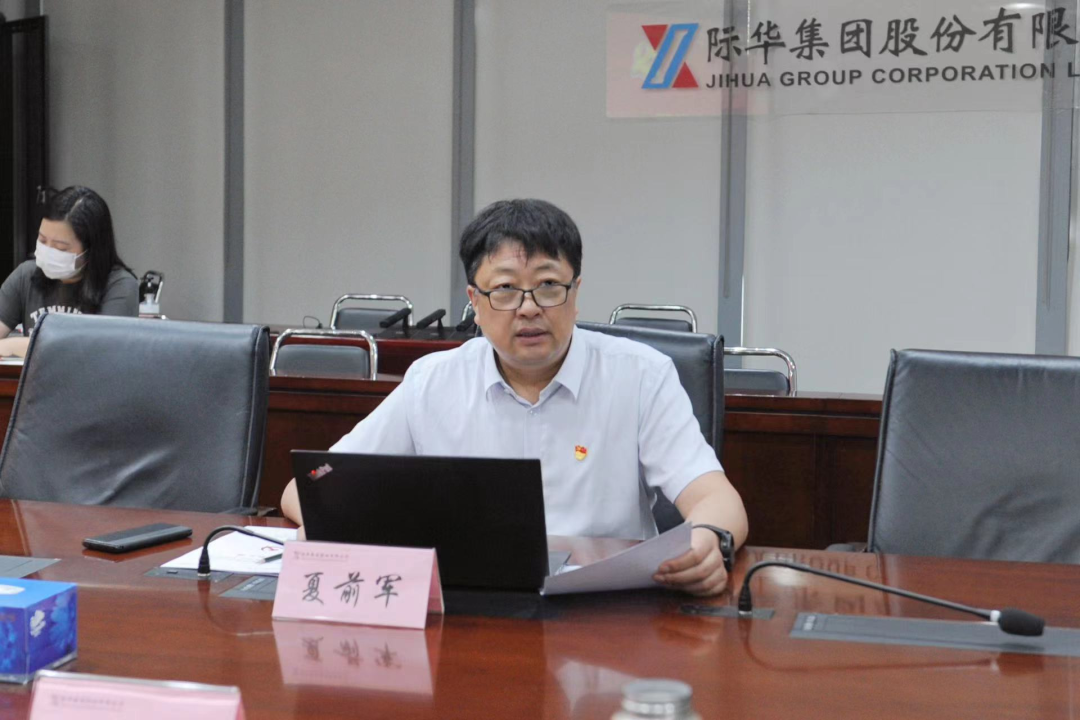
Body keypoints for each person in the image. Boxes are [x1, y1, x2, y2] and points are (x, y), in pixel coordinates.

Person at [281, 199, 749, 596]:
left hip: (605, 613)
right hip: (471, 607)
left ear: (576, 293)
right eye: (505, 289)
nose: (528, 308)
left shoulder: (641, 376)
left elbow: (717, 498)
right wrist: (347, 528)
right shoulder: (433, 381)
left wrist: (711, 540)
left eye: (548, 286)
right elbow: (310, 488)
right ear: (475, 301)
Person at [0, 186, 139, 357]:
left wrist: (13, 346)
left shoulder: (119, 286)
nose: (48, 251)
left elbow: (101, 349)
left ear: (90, 251)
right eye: (42, 240)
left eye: (61, 248)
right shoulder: (26, 275)